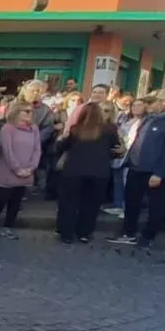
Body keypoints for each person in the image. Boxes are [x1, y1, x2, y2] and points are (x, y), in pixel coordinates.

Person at [55, 103, 122, 244]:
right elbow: (116, 150)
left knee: (69, 203)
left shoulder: (76, 130)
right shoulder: (109, 130)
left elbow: (61, 147)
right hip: (99, 172)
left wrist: (61, 140)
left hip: (74, 171)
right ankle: (84, 233)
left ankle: (66, 233)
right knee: (91, 204)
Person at [107, 92, 165, 250]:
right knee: (131, 202)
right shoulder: (146, 120)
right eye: (147, 102)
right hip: (135, 167)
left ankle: (148, 237)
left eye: (152, 102)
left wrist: (159, 172)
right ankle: (128, 233)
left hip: (154, 172)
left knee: (156, 206)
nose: (148, 105)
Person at [0, 103, 42, 239]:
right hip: (6, 170)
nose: (29, 114)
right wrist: (17, 169)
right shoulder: (8, 128)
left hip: (26, 171)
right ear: (17, 112)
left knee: (16, 202)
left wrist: (31, 168)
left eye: (31, 112)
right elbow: (7, 150)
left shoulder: (34, 129)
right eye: (26, 111)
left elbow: (37, 149)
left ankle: (8, 227)